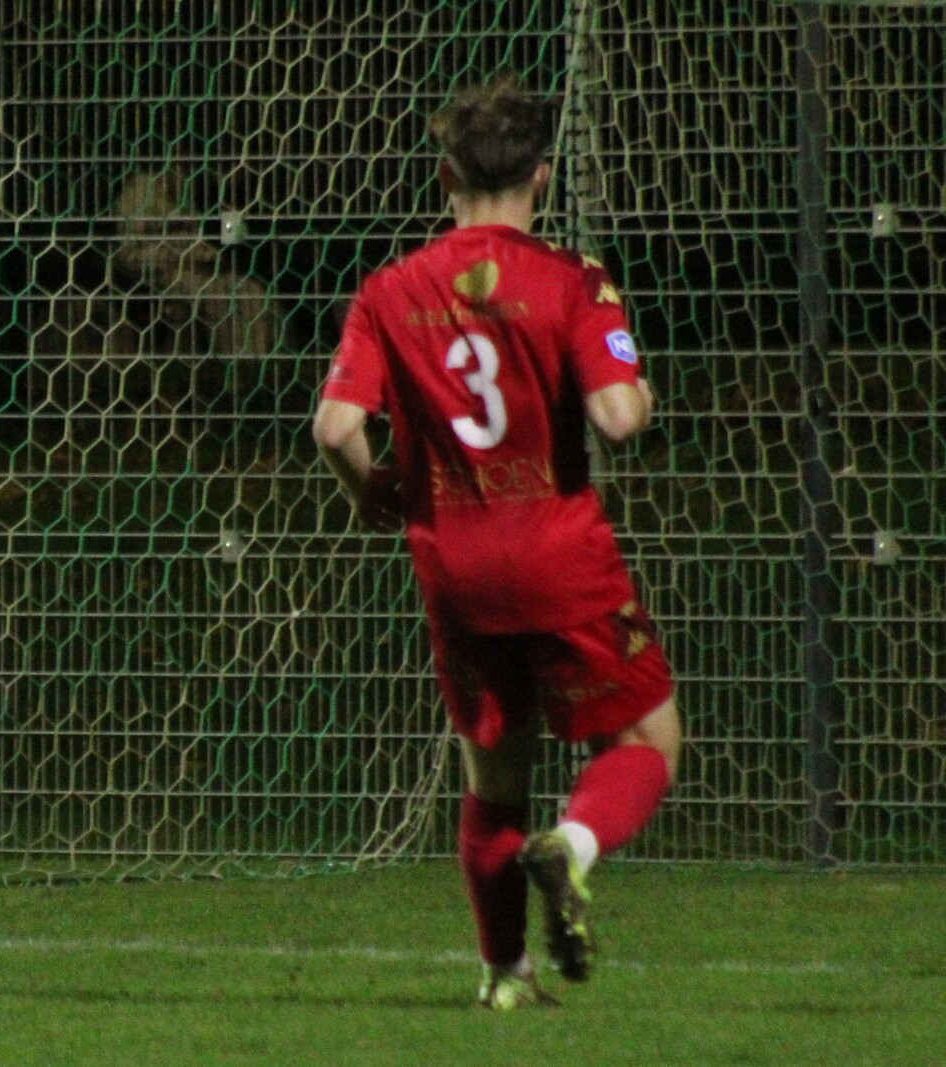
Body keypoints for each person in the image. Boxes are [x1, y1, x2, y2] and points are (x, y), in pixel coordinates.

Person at [312, 74, 681, 1009]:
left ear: (445, 175)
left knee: (493, 773)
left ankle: (506, 975)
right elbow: (618, 417)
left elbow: (335, 427)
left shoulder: (390, 290)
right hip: (560, 554)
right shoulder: (573, 280)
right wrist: (640, 391)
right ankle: (574, 844)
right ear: (542, 178)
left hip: (458, 565)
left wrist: (372, 492)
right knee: (649, 736)